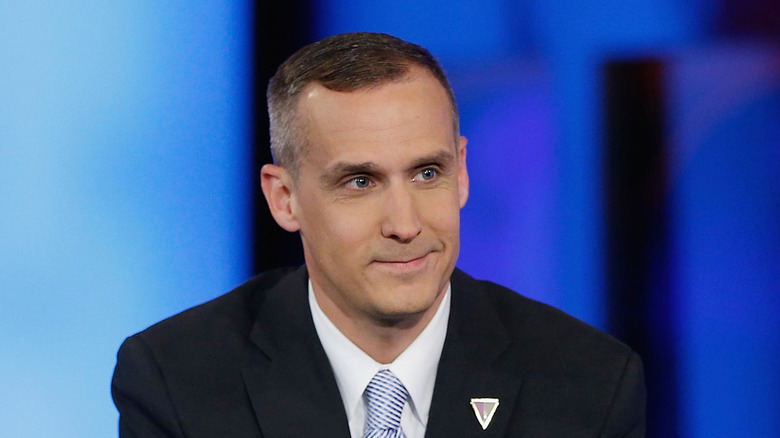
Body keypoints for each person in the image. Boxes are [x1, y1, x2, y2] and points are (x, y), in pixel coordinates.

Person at [112, 32, 646, 437]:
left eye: (427, 174)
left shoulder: (588, 384)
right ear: (285, 198)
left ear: (462, 172)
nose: (405, 225)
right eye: (360, 182)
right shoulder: (177, 380)